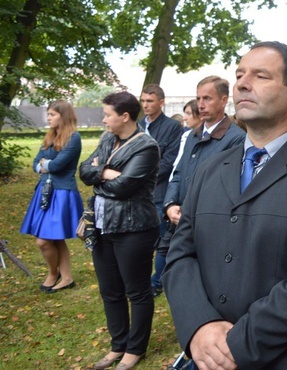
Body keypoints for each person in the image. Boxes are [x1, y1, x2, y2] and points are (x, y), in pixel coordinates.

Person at [163, 41, 287, 370]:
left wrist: (235, 343)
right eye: (240, 74)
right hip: (208, 355)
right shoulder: (208, 170)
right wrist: (199, 326)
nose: (242, 83)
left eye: (260, 75)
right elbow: (181, 254)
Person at [79, 92, 161, 370]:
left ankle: (134, 350)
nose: (103, 119)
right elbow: (83, 170)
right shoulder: (106, 139)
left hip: (134, 228)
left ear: (124, 116)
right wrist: (107, 172)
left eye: (107, 114)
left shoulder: (146, 147)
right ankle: (118, 345)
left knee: (137, 291)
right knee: (110, 290)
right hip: (102, 226)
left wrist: (98, 173)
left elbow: (125, 187)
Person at [161, 76, 245, 261]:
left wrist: (189, 211)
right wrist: (170, 205)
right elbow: (179, 173)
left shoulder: (236, 139)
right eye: (198, 98)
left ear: (224, 100)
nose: (201, 104)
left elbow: (226, 189)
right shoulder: (192, 135)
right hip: (180, 223)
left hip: (208, 228)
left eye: (207, 98)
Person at [20, 100, 83, 293]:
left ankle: (53, 273)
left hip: (62, 193)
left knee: (44, 240)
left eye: (52, 115)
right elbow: (35, 162)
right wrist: (43, 165)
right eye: (48, 114)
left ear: (63, 116)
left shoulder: (74, 138)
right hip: (45, 191)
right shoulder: (50, 136)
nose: (49, 118)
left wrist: (45, 165)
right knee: (54, 238)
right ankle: (65, 277)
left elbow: (57, 166)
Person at [138, 84, 183, 298]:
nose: (146, 105)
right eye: (143, 101)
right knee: (140, 239)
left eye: (150, 101)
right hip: (136, 195)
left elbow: (169, 161)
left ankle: (158, 281)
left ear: (161, 102)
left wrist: (136, 176)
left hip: (158, 192)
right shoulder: (137, 126)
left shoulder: (172, 127)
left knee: (162, 241)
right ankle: (141, 278)